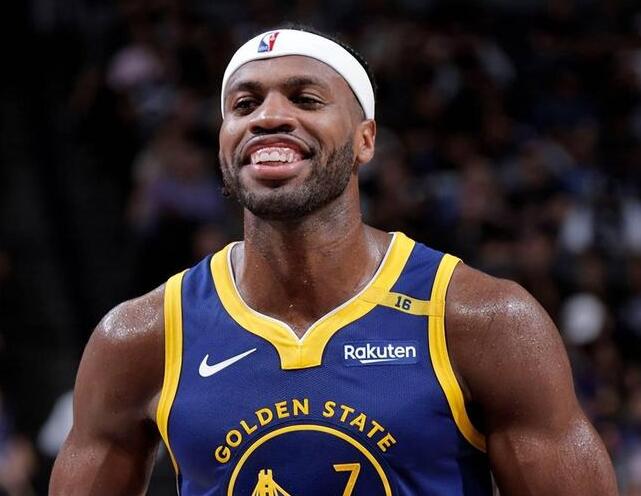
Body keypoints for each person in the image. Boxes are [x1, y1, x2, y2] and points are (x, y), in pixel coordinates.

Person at [50, 27, 618, 495]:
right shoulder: (142, 336)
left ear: (366, 140)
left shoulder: (481, 319)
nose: (268, 117)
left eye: (305, 99)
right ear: (223, 140)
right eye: (244, 104)